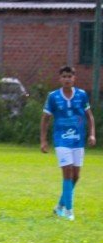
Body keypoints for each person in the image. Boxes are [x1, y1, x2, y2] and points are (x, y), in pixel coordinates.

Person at [40, 65, 96, 221]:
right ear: (60, 79)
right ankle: (69, 211)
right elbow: (45, 119)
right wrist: (44, 140)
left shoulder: (82, 95)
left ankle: (59, 206)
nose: (67, 79)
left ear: (74, 78)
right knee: (68, 172)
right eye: (64, 76)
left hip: (78, 139)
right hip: (61, 139)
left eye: (69, 76)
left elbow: (89, 116)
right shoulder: (53, 96)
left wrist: (92, 134)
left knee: (76, 176)